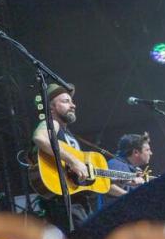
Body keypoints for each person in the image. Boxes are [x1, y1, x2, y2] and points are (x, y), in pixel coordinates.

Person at [30, 83, 126, 228]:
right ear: (51, 107)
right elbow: (40, 138)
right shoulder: (52, 123)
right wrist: (73, 161)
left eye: (72, 101)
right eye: (65, 101)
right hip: (63, 204)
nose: (73, 105)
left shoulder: (69, 136)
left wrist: (125, 184)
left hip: (79, 203)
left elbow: (91, 179)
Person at [95, 132, 150, 213]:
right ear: (136, 152)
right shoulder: (116, 163)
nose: (150, 153)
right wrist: (131, 197)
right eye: (147, 150)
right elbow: (107, 186)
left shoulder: (134, 169)